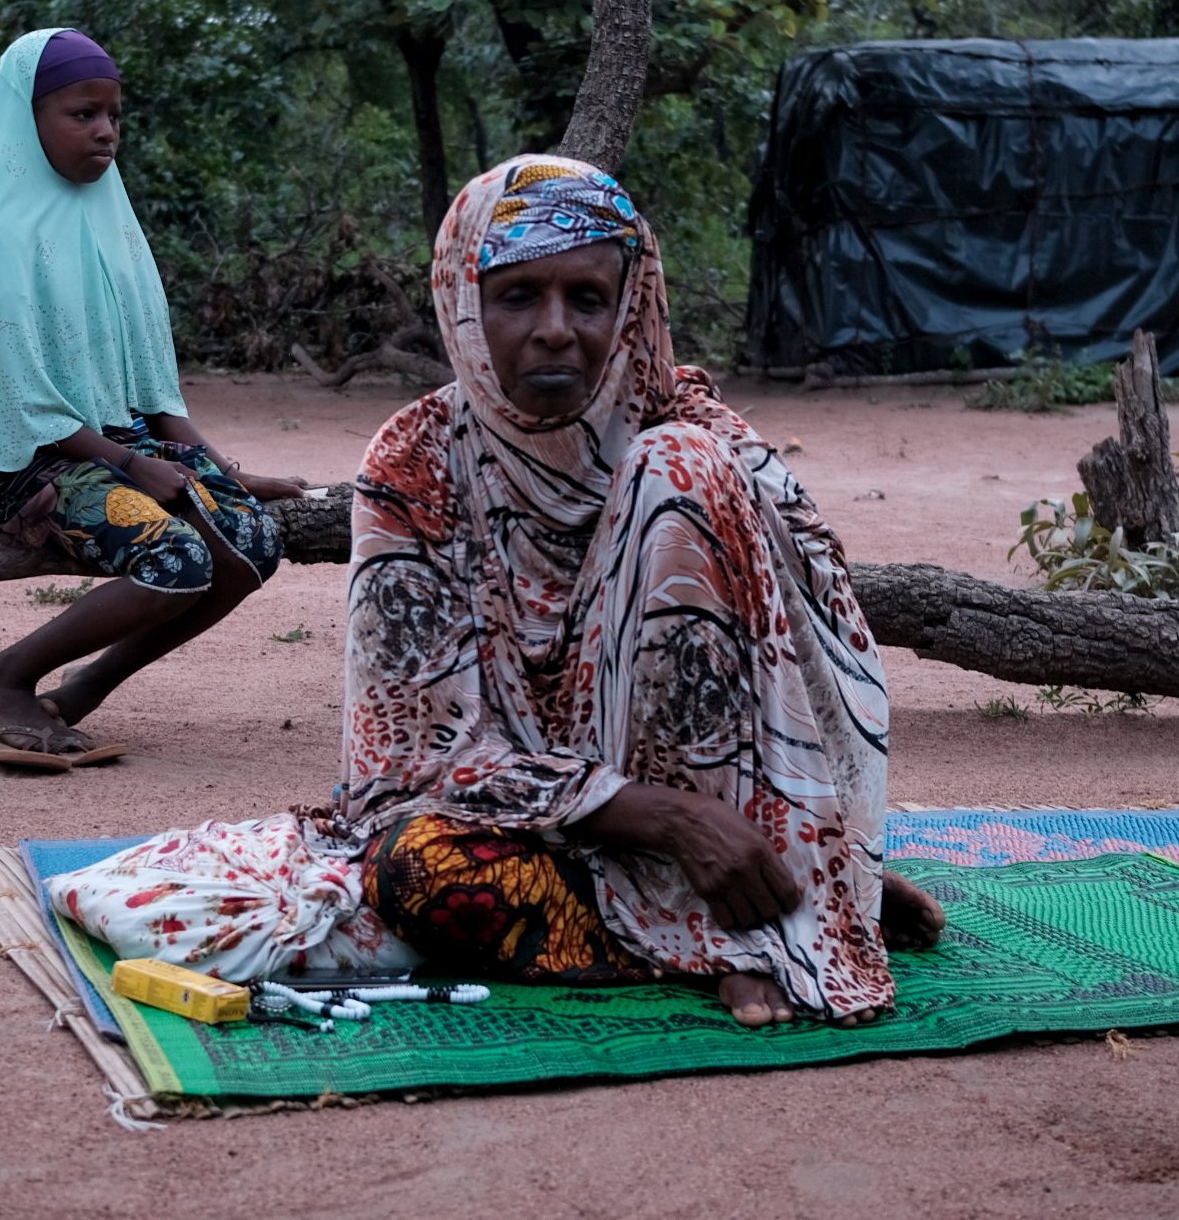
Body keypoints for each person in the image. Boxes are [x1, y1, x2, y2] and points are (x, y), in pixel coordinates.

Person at [342, 156, 943, 1025]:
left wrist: (808, 828)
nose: (555, 329)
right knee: (417, 872)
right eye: (518, 298)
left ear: (628, 306)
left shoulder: (694, 436)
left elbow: (820, 665)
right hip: (545, 816)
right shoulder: (413, 464)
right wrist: (663, 822)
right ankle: (751, 905)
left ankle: (781, 884)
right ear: (464, 303)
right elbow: (418, 760)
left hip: (733, 802)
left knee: (681, 473)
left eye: (586, 298)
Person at [0, 28, 302, 770]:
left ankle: (83, 690)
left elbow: (153, 390)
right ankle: (3, 679)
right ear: (29, 119)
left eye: (113, 114)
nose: (105, 131)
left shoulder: (112, 222)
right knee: (175, 555)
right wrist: (131, 465)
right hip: (29, 468)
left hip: (120, 452)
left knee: (254, 541)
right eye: (82, 114)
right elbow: (22, 398)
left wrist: (219, 469)